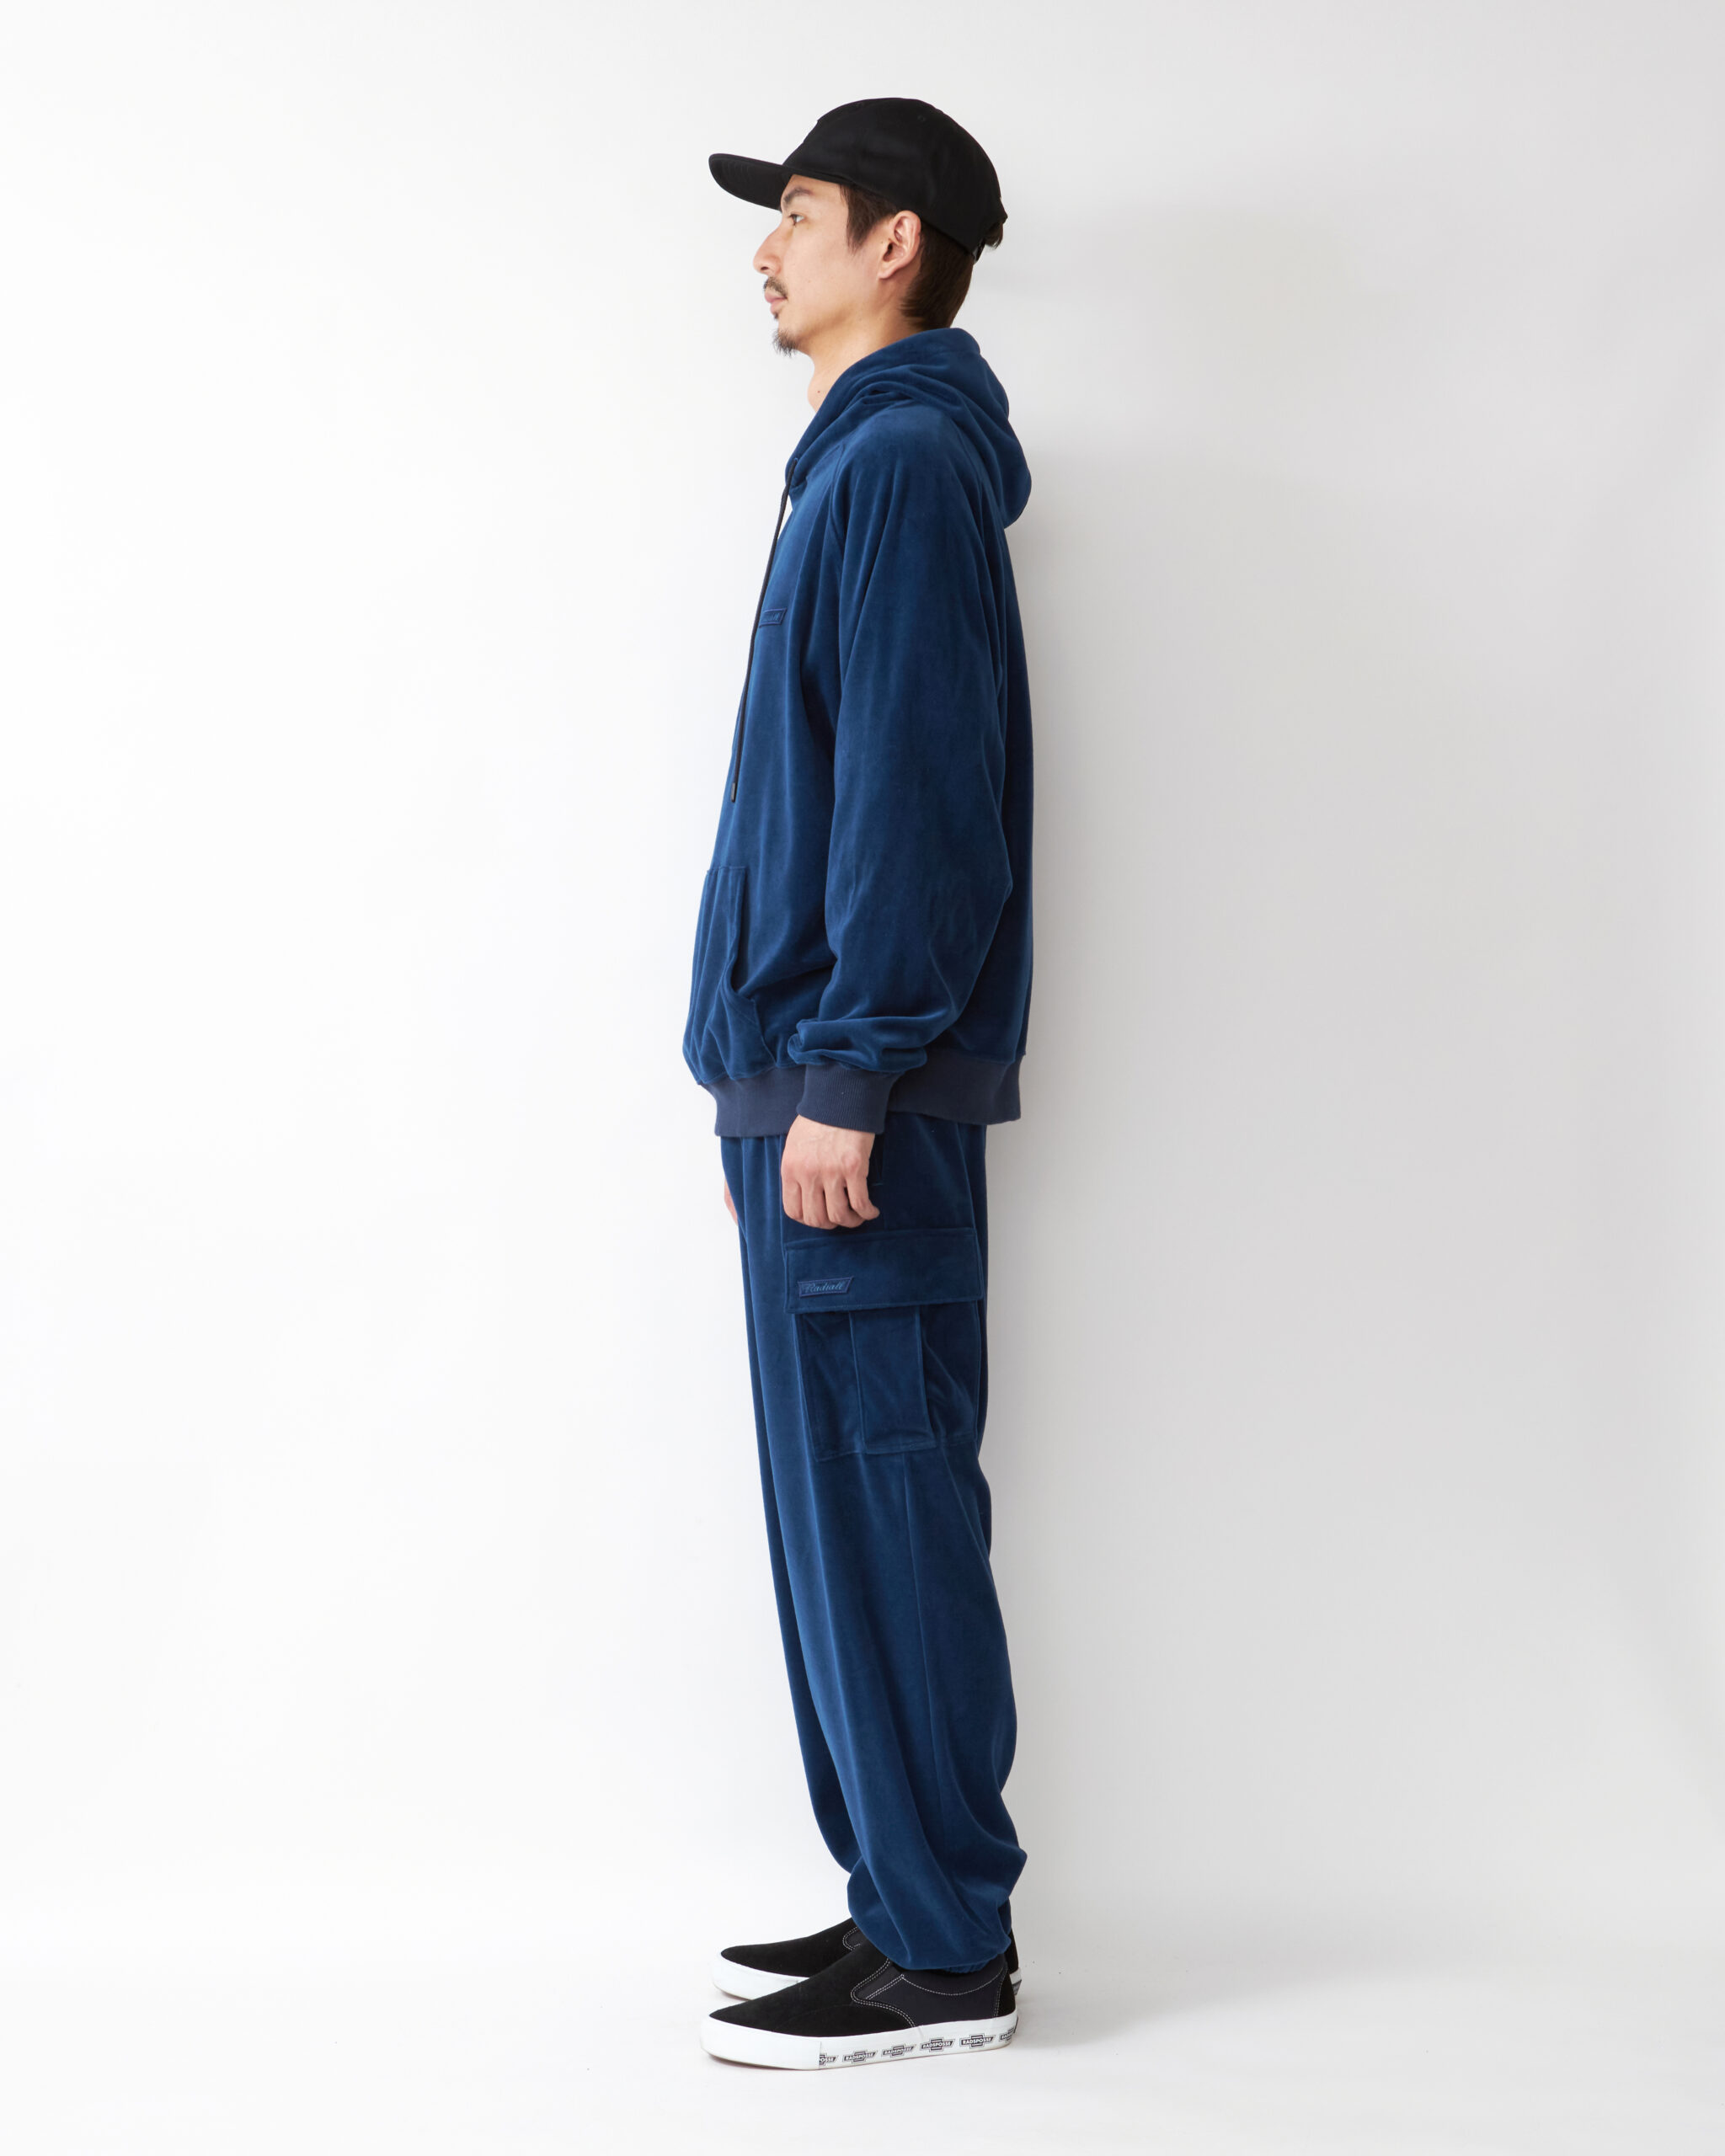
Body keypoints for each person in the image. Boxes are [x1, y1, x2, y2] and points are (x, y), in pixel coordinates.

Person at [684, 98, 1034, 2072]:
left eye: (799, 213)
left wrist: (850, 1066)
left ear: (894, 243)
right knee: (838, 1511)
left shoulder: (899, 467)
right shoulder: (855, 467)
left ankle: (946, 1946)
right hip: (810, 1088)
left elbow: (917, 801)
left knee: (887, 1505)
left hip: (852, 1105)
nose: (765, 250)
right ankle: (898, 1890)